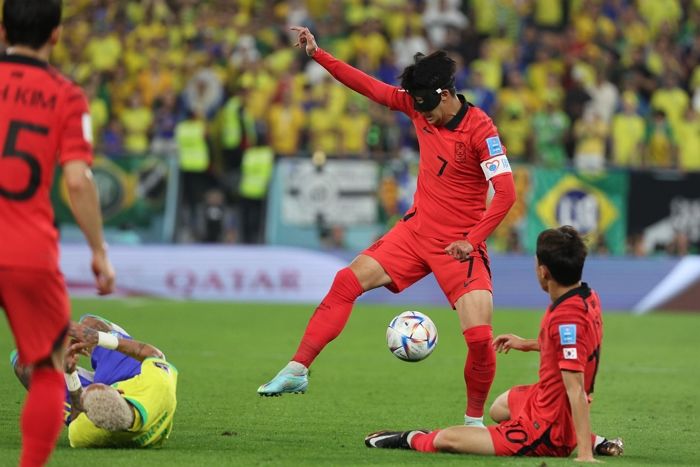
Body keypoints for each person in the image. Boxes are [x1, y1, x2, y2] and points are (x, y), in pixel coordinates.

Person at [258, 26, 517, 428]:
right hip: (415, 233)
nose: (422, 114)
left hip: (460, 246)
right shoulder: (418, 106)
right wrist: (318, 54)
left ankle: (472, 425)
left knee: (480, 339)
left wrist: (473, 240)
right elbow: (368, 87)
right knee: (346, 281)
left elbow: (505, 194)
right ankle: (297, 369)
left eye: (428, 106)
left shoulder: (482, 130)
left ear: (447, 95)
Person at [364, 226, 624, 462]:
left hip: (545, 430)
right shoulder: (588, 296)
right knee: (500, 407)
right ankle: (586, 437)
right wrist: (526, 344)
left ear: (543, 271)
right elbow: (576, 348)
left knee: (449, 439)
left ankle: (411, 438)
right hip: (543, 399)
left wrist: (585, 457)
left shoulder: (565, 318)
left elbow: (575, 389)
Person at [0, 1, 116, 465]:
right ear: (56, 36)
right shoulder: (66, 95)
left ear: (4, 28)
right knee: (49, 370)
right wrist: (98, 251)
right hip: (28, 251)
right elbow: (76, 180)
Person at [14, 315, 178, 448]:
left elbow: (77, 414)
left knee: (24, 363)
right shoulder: (159, 387)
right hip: (133, 376)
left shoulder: (87, 431)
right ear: (118, 391)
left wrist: (70, 372)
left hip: (95, 403)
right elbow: (152, 354)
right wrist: (96, 337)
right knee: (90, 324)